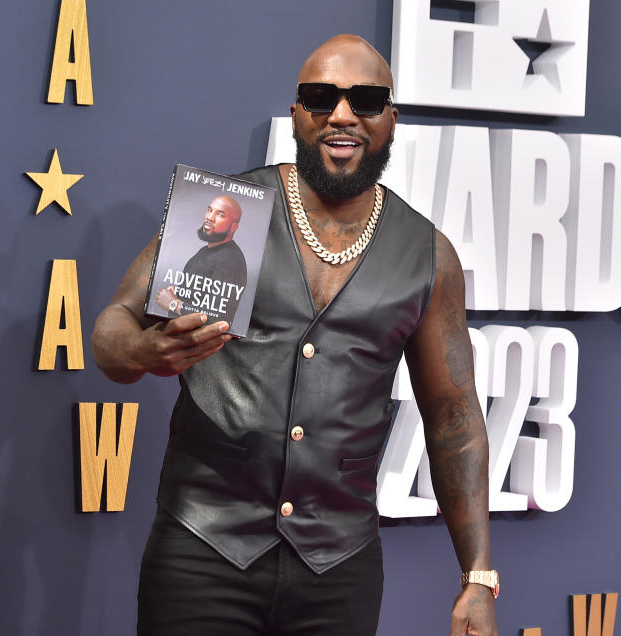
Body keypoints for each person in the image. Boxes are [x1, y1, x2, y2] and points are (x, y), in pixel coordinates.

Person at [92, 34, 499, 636]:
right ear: (295, 116)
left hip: (338, 569)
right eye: (320, 98)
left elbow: (455, 420)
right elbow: (111, 331)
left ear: (391, 118)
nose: (342, 115)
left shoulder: (426, 255)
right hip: (203, 550)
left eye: (364, 100)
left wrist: (478, 576)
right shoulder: (231, 209)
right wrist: (143, 351)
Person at [155, 194, 247, 325]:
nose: (209, 217)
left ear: (234, 227)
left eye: (220, 215)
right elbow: (201, 297)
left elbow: (217, 319)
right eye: (210, 210)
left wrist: (173, 303)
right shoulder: (206, 251)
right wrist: (181, 292)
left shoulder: (229, 259)